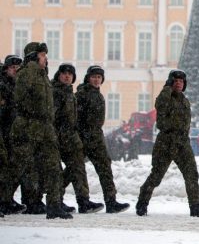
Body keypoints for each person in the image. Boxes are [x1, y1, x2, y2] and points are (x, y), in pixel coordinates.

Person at [136, 70, 199, 217]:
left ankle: (195, 206)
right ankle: (142, 202)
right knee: (156, 175)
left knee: (191, 174)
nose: (179, 83)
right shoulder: (165, 96)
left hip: (182, 142)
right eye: (176, 81)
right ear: (171, 82)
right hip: (166, 141)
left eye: (181, 81)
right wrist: (167, 88)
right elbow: (160, 104)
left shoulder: (184, 100)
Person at [12, 42, 71, 219]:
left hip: (45, 127)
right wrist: (33, 115)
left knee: (54, 167)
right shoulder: (27, 72)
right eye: (43, 55)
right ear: (34, 55)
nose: (46, 58)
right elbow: (20, 99)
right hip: (30, 127)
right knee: (18, 166)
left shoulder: (42, 74)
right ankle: (4, 200)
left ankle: (54, 205)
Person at [76, 65, 130, 213]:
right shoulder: (81, 94)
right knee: (75, 170)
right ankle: (78, 201)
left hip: (96, 138)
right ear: (88, 78)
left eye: (99, 77)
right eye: (94, 76)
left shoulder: (98, 95)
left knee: (105, 167)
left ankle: (111, 202)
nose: (96, 79)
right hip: (84, 137)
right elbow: (77, 118)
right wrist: (81, 135)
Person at [52, 63, 103, 213]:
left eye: (70, 74)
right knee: (56, 170)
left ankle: (83, 201)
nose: (67, 76)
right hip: (58, 136)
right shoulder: (55, 92)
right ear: (59, 75)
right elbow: (52, 117)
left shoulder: (69, 93)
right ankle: (55, 200)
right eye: (64, 73)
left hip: (70, 136)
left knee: (77, 167)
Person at [0, 55, 26, 215]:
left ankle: (6, 199)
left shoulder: (18, 87)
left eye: (18, 67)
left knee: (12, 165)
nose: (16, 70)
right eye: (13, 67)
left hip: (13, 131)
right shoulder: (3, 86)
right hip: (4, 130)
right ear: (6, 69)